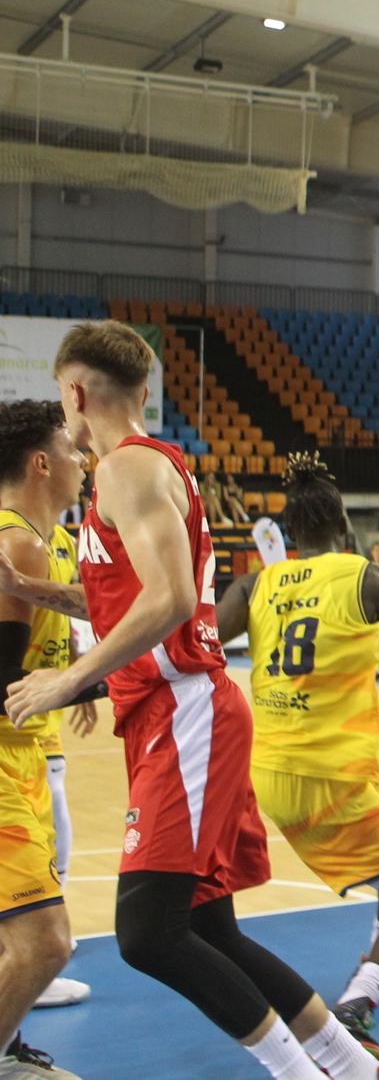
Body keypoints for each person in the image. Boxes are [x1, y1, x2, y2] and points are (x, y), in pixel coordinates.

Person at [0, 323, 379, 1080]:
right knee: (207, 927)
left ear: (75, 391)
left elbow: (165, 603)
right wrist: (35, 591)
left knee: (146, 932)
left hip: (184, 712)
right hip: (171, 712)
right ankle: (361, 1068)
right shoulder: (139, 470)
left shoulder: (126, 470)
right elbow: (124, 597)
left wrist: (68, 679)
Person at [215, 453, 379, 1057]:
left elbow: (198, 645)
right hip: (330, 777)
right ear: (344, 523)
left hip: (275, 769)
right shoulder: (369, 578)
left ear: (291, 533)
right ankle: (357, 1005)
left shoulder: (255, 583)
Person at [0, 401, 100, 1077]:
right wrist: (101, 682)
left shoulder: (40, 540)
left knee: (25, 938)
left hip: (25, 754)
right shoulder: (17, 542)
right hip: (5, 759)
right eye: (71, 449)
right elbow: (3, 679)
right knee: (46, 942)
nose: (83, 460)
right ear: (41, 463)